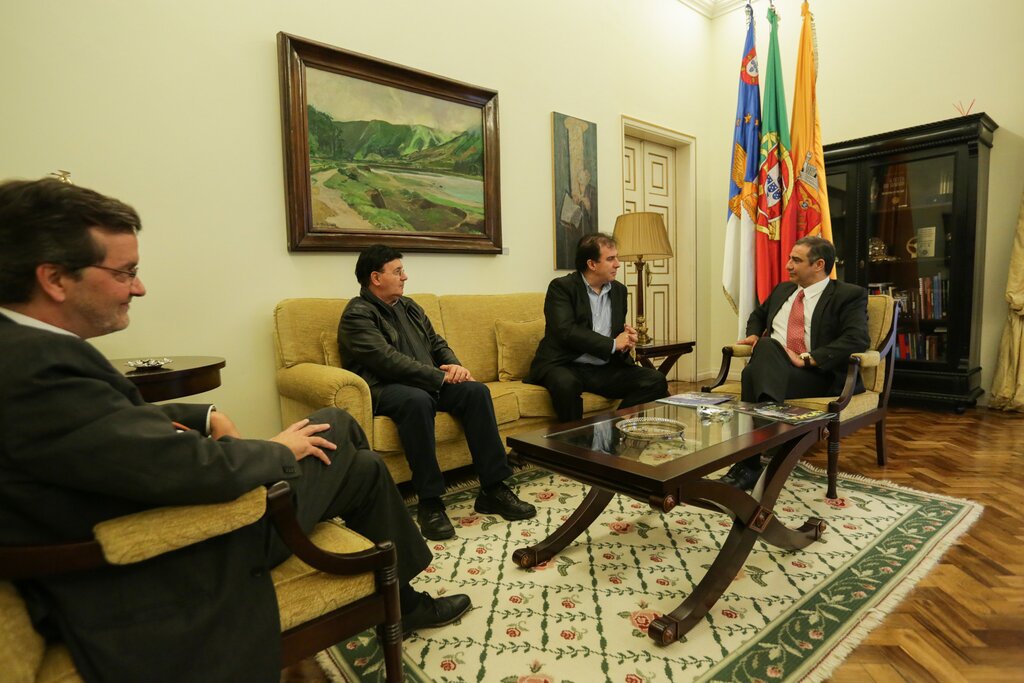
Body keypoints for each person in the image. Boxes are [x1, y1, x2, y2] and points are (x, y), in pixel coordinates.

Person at [0, 179, 470, 683]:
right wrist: (275, 449)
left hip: (166, 506)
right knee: (343, 437)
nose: (139, 288)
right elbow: (187, 468)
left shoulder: (27, 352)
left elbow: (109, 425)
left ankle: (403, 595)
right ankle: (404, 594)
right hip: (188, 547)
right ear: (54, 278)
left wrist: (204, 416)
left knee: (359, 459)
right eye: (125, 272)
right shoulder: (37, 369)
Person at [337, 244, 536, 541]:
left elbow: (437, 343)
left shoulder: (409, 307)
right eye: (398, 271)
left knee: (475, 392)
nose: (405, 277)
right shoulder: (357, 315)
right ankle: (429, 502)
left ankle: (493, 488)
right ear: (376, 278)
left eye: (403, 271)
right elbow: (387, 361)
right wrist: (439, 377)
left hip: (427, 382)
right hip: (386, 388)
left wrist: (455, 367)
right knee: (416, 401)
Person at [720, 235, 870, 490]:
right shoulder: (783, 290)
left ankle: (750, 463)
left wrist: (808, 358)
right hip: (774, 369)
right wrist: (754, 334)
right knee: (763, 351)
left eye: (796, 260)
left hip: (816, 375)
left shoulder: (848, 295)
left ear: (819, 265)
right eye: (790, 258)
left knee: (752, 372)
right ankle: (771, 439)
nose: (788, 265)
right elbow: (758, 315)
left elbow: (857, 338)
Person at [525, 232, 669, 423]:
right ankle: (573, 439)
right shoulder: (562, 288)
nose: (618, 264)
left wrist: (626, 340)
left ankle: (614, 428)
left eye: (616, 257)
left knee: (655, 380)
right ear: (592, 264)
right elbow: (566, 331)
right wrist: (613, 344)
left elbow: (615, 334)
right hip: (564, 364)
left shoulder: (619, 290)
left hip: (603, 367)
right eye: (610, 259)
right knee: (566, 385)